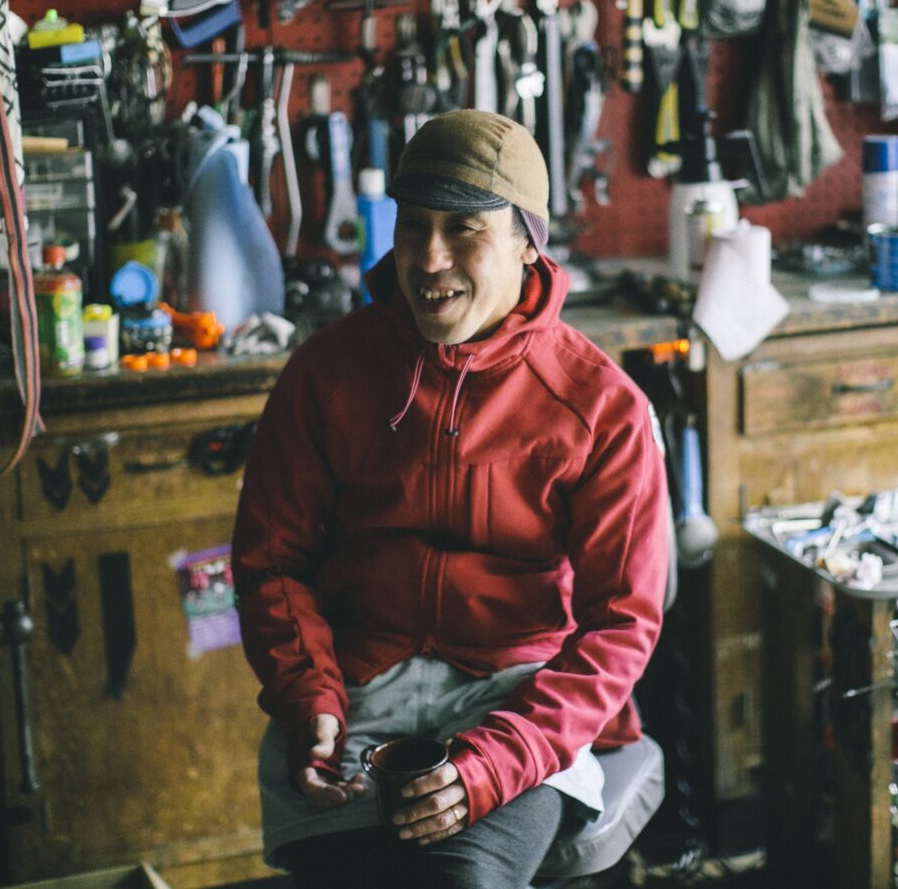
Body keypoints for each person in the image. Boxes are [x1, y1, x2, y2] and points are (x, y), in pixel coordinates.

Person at [232, 109, 670, 888]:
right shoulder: (326, 374)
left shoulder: (601, 406)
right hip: (354, 689)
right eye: (413, 226)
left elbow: (621, 623)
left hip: (519, 698)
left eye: (464, 228)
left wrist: (502, 758)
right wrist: (311, 694)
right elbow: (272, 562)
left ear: (528, 243)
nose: (428, 258)